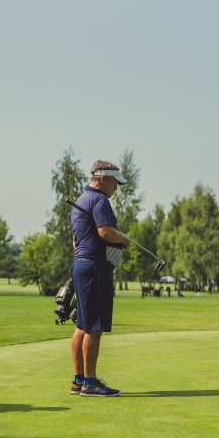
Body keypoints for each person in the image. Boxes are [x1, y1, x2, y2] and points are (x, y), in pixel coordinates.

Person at [68, 160, 131, 397]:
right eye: (115, 182)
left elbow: (76, 241)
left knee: (82, 326)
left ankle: (78, 380)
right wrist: (124, 239)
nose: (116, 188)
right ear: (103, 178)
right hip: (95, 267)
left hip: (81, 265)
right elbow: (105, 231)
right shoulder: (99, 200)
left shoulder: (81, 200)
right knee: (94, 327)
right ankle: (90, 383)